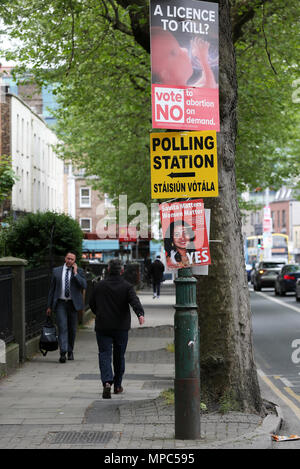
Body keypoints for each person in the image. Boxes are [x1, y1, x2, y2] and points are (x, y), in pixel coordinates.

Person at [89, 258, 145, 399]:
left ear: (108, 269)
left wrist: (99, 313)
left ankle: (107, 382)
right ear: (121, 270)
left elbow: (91, 304)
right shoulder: (127, 286)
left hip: (103, 326)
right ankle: (118, 385)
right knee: (119, 356)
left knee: (104, 354)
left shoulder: (99, 286)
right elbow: (134, 301)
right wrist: (140, 314)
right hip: (120, 327)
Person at [46, 251, 87, 363]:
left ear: (74, 261)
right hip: (60, 303)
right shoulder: (56, 271)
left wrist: (75, 273)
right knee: (62, 327)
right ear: (65, 258)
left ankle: (70, 350)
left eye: (72, 259)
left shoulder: (79, 271)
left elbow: (84, 285)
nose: (69, 261)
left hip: (73, 304)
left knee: (72, 329)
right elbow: (52, 290)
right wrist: (49, 306)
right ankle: (63, 352)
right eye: (68, 258)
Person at [151, 27, 218, 88]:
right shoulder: (179, 95)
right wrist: (203, 59)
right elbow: (211, 86)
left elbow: (203, 82)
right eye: (174, 53)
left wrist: (200, 57)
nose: (185, 50)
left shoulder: (183, 91)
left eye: (179, 47)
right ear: (166, 76)